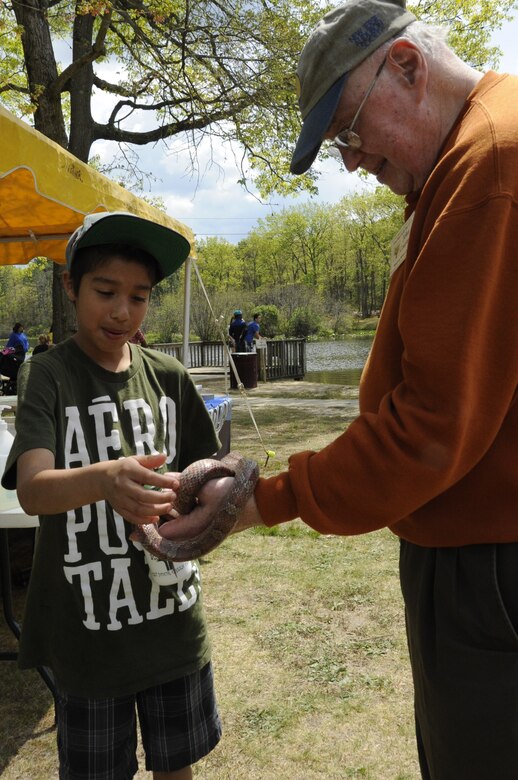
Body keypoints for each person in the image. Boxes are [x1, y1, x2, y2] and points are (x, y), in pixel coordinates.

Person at [157, 2, 518, 777]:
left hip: (490, 566)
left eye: (348, 131)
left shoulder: (491, 163)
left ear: (409, 69)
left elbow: (432, 426)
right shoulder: (466, 160)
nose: (351, 162)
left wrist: (263, 498)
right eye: (337, 147)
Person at [1, 211, 222, 779]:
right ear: (70, 286)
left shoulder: (169, 375)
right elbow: (32, 490)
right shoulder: (48, 375)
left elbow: (209, 472)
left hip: (172, 621)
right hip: (90, 637)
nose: (123, 311)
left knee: (177, 766)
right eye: (105, 291)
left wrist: (216, 493)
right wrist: (103, 479)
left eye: (139, 296)